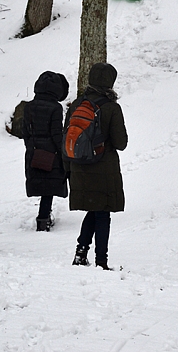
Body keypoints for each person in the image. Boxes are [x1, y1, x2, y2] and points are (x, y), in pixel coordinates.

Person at [66, 63, 128, 270]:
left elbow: (66, 137)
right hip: (103, 168)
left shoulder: (77, 104)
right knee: (102, 213)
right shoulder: (111, 107)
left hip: (79, 166)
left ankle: (80, 254)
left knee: (94, 210)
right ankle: (101, 262)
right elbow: (120, 143)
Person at [22, 71, 70, 232]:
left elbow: (25, 131)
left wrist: (31, 146)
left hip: (34, 151)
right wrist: (62, 152)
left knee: (42, 184)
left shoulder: (29, 106)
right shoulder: (55, 108)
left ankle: (43, 218)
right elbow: (56, 133)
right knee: (49, 187)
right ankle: (43, 220)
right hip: (51, 153)